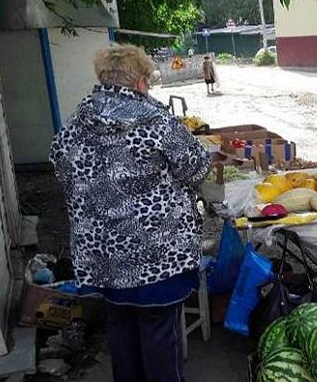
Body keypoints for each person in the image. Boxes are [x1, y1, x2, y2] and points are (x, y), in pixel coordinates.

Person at [50, 44, 212, 381]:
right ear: (139, 81)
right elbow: (196, 168)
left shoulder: (77, 120)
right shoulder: (154, 120)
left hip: (103, 259)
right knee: (159, 338)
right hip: (155, 257)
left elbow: (60, 165)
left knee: (121, 332)